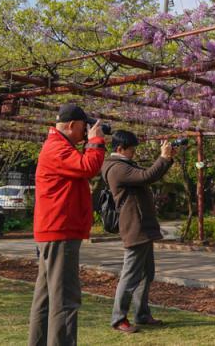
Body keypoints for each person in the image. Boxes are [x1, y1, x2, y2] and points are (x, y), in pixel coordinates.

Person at [28, 103, 106, 346]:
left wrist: (90, 142)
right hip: (60, 232)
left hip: (54, 231)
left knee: (47, 298)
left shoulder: (57, 146)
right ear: (72, 125)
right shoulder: (57, 148)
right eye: (84, 128)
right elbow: (88, 167)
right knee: (65, 300)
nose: (86, 133)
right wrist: (95, 143)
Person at [103, 130, 174, 334]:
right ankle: (118, 318)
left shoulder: (125, 165)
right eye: (132, 149)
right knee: (130, 275)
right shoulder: (116, 168)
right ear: (120, 149)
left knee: (146, 274)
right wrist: (162, 157)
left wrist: (167, 160)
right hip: (134, 227)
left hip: (143, 227)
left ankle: (142, 314)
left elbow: (149, 176)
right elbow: (146, 176)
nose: (134, 153)